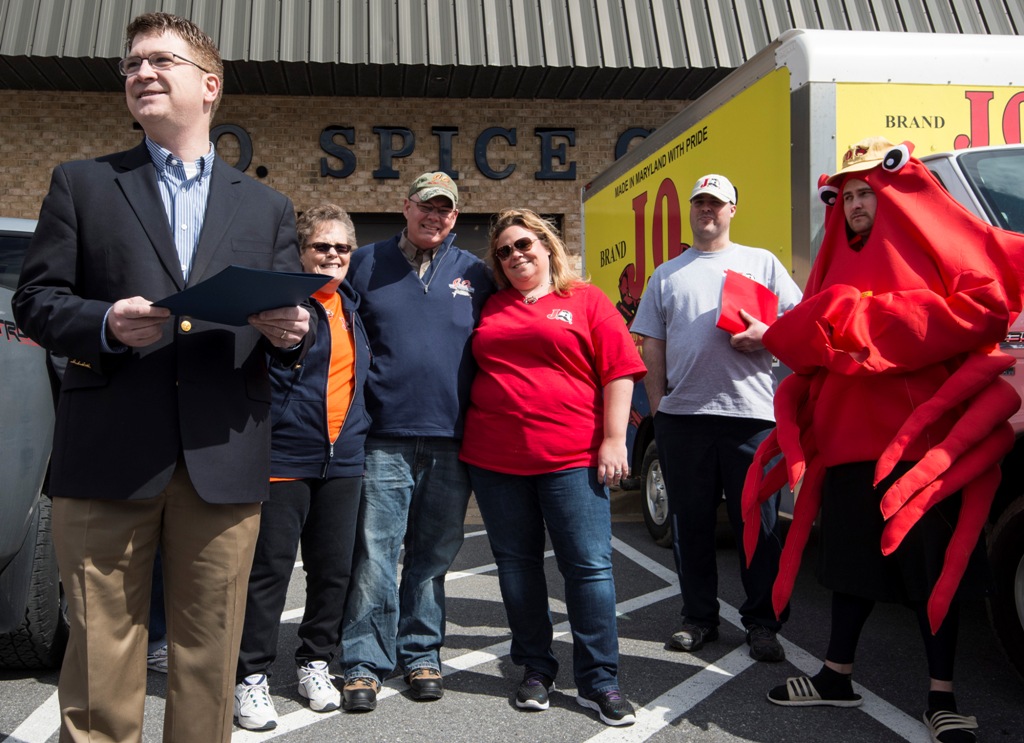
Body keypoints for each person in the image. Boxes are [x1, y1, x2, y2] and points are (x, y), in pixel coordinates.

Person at [12, 12, 312, 743]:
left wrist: (293, 333)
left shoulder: (267, 207)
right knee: (100, 655)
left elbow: (291, 319)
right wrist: (105, 322)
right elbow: (36, 301)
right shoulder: (83, 184)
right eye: (132, 64)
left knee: (210, 655)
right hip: (107, 454)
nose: (141, 72)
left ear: (209, 86)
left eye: (160, 60)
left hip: (223, 457)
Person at [755, 137, 1024, 743]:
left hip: (923, 450)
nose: (855, 204)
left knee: (935, 572)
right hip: (849, 444)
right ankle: (835, 677)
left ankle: (942, 697)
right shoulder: (833, 265)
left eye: (866, 193)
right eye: (847, 195)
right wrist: (825, 325)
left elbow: (985, 310)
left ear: (893, 194)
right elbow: (800, 341)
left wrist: (859, 321)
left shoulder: (935, 252)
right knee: (850, 567)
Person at [459, 209, 646, 726]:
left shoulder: (585, 299)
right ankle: (536, 669)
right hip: (496, 460)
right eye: (504, 251)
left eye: (524, 244)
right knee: (517, 568)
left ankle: (599, 680)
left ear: (546, 246)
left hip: (571, 458)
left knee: (588, 569)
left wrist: (614, 440)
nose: (515, 255)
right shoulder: (490, 305)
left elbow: (620, 370)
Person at [340, 171, 495, 711]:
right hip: (383, 437)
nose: (434, 216)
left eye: (444, 209)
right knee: (375, 555)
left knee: (432, 556)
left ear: (455, 217)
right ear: (405, 207)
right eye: (426, 205)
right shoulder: (364, 263)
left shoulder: (475, 273)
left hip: (452, 439)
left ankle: (422, 652)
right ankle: (364, 662)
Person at [630, 174, 802, 662]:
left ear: (732, 210)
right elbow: (652, 343)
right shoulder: (667, 274)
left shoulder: (761, 262)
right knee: (691, 525)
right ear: (691, 209)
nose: (707, 209)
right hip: (684, 419)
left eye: (717, 203)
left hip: (751, 418)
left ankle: (763, 624)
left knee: (758, 528)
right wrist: (659, 409)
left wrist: (768, 334)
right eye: (700, 202)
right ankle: (698, 618)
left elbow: (799, 323)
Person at [233, 205, 371, 731]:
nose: (333, 255)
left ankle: (315, 663)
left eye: (342, 248)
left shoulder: (352, 306)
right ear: (300, 253)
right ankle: (251, 677)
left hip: (343, 459)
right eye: (322, 246)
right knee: (269, 573)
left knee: (333, 571)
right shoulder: (281, 306)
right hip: (284, 456)